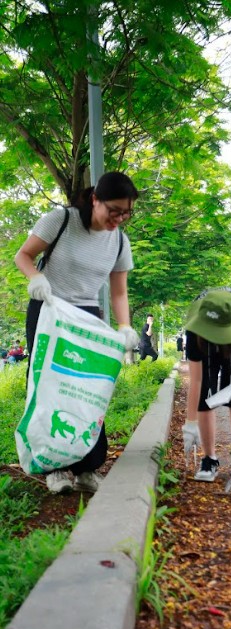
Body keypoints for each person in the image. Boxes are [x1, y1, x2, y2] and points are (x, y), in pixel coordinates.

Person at [14, 171, 139, 495]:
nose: (119, 218)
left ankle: (87, 467)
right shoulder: (61, 220)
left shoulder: (119, 240)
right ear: (95, 199)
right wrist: (35, 278)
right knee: (47, 384)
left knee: (90, 388)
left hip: (86, 316)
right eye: (114, 210)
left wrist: (124, 326)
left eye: (126, 212)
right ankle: (53, 468)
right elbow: (23, 255)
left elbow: (119, 292)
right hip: (49, 308)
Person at [182, 288, 231, 483]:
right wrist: (190, 422)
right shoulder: (194, 329)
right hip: (205, 344)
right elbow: (197, 379)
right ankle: (209, 459)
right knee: (206, 395)